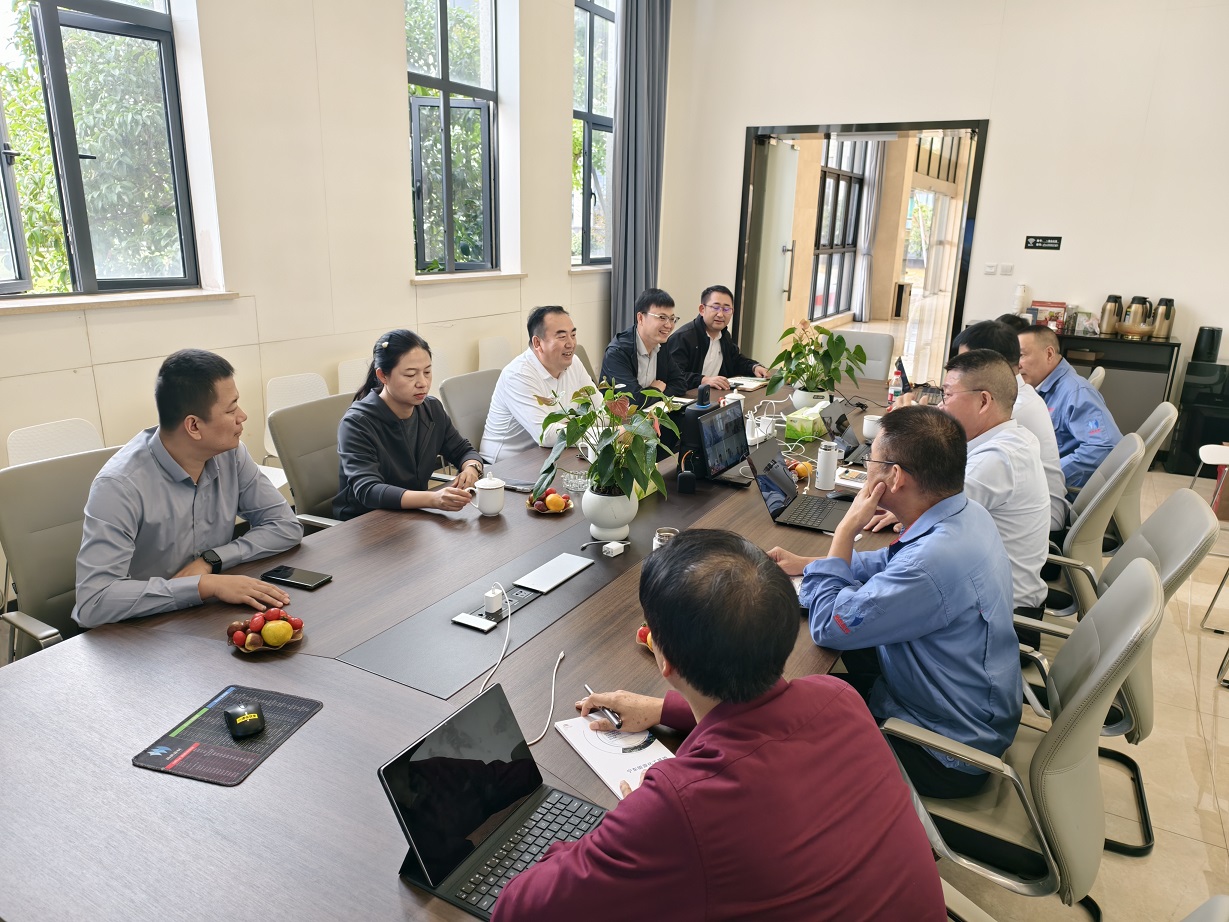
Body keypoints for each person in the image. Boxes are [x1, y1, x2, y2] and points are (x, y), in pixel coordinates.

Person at [493, 530, 944, 922]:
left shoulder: (681, 806)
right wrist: (664, 709)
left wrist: (630, 828)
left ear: (662, 655)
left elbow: (517, 909)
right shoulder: (839, 697)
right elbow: (760, 728)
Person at [769, 406, 1020, 799]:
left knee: (780, 728)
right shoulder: (965, 514)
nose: (866, 469)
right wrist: (810, 564)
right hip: (955, 703)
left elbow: (828, 626)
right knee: (803, 693)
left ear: (896, 477)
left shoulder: (931, 564)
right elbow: (890, 562)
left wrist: (845, 531)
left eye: (871, 461)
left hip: (941, 750)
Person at [73, 350, 302, 628]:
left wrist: (211, 561)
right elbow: (94, 602)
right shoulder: (119, 486)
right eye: (231, 410)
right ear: (193, 426)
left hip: (203, 618)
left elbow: (285, 526)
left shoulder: (230, 454)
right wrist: (204, 585)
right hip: (138, 632)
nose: (242, 416)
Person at [334, 330, 484, 521]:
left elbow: (464, 451)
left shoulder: (431, 409)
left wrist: (471, 469)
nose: (423, 383)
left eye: (427, 372)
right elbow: (369, 490)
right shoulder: (357, 423)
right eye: (410, 374)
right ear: (383, 376)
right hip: (364, 522)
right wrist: (432, 499)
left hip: (412, 516)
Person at [953, 319, 1068, 529]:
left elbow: (953, 455)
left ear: (991, 364)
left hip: (1037, 523)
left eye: (965, 364)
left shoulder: (1011, 408)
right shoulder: (1020, 395)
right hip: (1021, 510)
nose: (958, 372)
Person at [480, 306, 597, 462]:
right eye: (562, 337)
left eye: (573, 335)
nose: (571, 343)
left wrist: (570, 427)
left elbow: (599, 409)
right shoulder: (518, 374)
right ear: (537, 343)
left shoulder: (573, 362)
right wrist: (605, 435)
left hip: (552, 454)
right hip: (505, 465)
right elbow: (547, 435)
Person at [1017, 324, 1123, 490]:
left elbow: (1104, 447)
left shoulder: (1076, 392)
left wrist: (1048, 476)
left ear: (1049, 354)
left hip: (1057, 490)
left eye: (1021, 355)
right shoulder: (1039, 387)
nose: (1017, 365)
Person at [668, 284, 769, 390]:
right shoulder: (682, 338)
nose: (720, 314)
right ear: (702, 309)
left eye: (726, 309)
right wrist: (703, 380)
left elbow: (736, 361)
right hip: (687, 397)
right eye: (715, 308)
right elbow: (673, 376)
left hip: (715, 394)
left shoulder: (724, 335)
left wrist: (754, 367)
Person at [599, 287, 687, 398]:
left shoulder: (661, 345)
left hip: (654, 409)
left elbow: (680, 384)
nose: (669, 325)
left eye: (672, 319)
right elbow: (633, 399)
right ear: (640, 318)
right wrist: (655, 390)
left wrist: (654, 394)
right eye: (662, 317)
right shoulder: (617, 353)